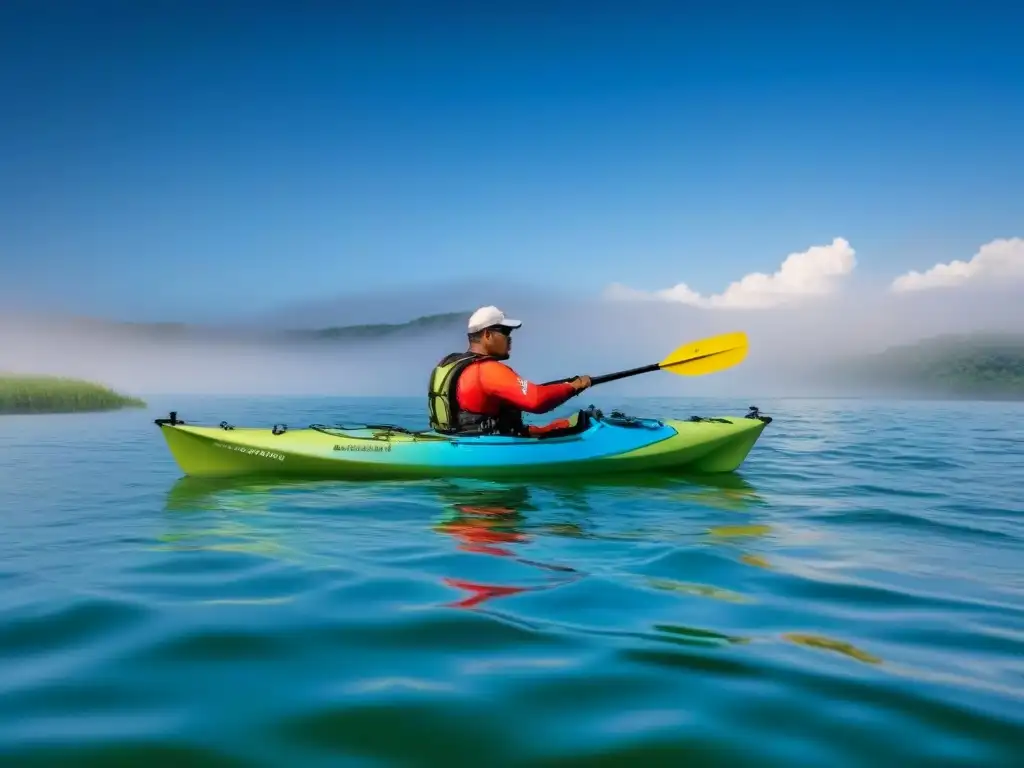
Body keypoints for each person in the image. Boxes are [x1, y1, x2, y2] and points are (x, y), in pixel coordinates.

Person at [427, 305, 592, 437]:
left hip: (453, 437)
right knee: (583, 424)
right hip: (486, 448)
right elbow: (537, 400)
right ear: (487, 335)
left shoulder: (452, 363)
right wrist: (575, 386)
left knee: (562, 425)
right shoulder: (487, 370)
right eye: (505, 332)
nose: (510, 338)